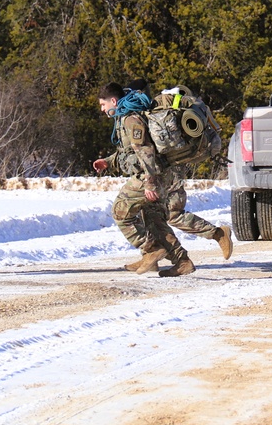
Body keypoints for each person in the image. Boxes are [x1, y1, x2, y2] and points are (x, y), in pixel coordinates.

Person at [124, 78, 233, 269]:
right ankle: (151, 257)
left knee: (172, 214)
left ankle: (218, 234)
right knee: (149, 212)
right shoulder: (146, 110)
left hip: (169, 170)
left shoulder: (150, 110)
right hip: (162, 170)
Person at [92, 82, 193, 277]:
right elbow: (128, 153)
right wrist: (107, 162)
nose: (103, 110)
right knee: (153, 219)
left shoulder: (130, 118)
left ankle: (150, 250)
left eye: (103, 105)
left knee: (120, 211)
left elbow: (145, 151)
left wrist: (150, 183)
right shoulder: (126, 117)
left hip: (151, 175)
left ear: (113, 101)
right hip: (158, 173)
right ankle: (182, 262)